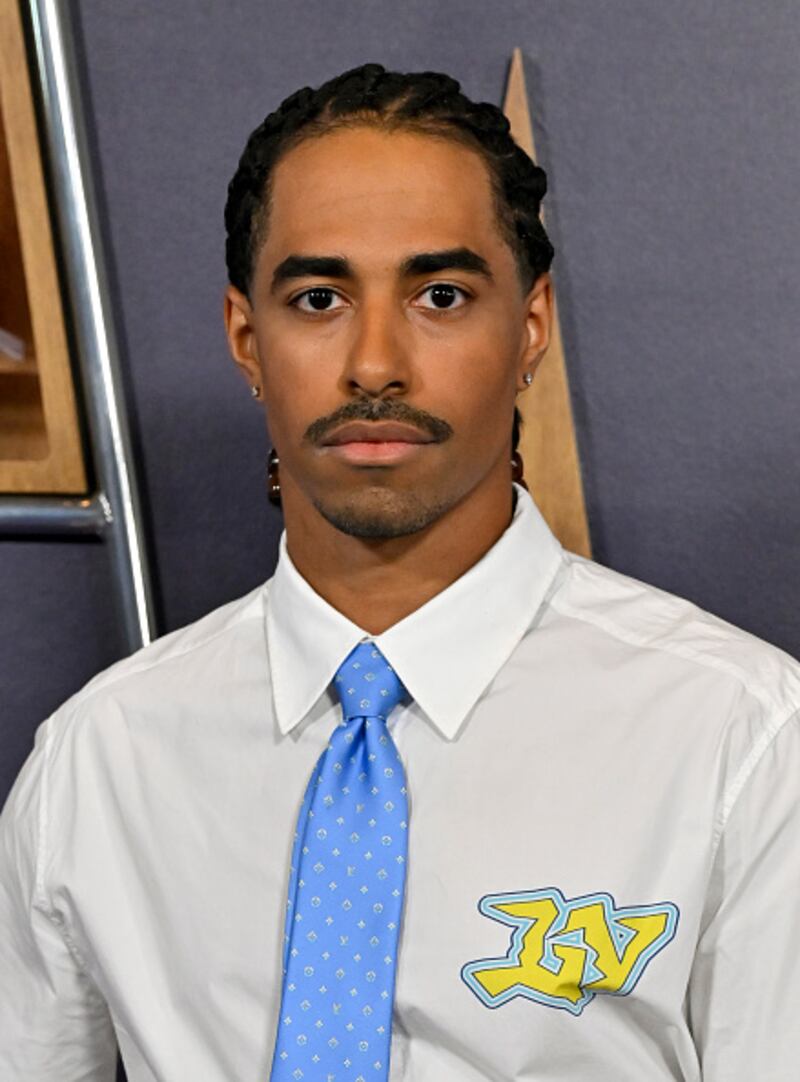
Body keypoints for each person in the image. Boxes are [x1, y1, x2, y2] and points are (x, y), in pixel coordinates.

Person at [1, 62, 798, 1082]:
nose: (375, 363)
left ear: (531, 327)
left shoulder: (738, 738)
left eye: (439, 295)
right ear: (247, 338)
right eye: (319, 297)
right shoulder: (99, 759)